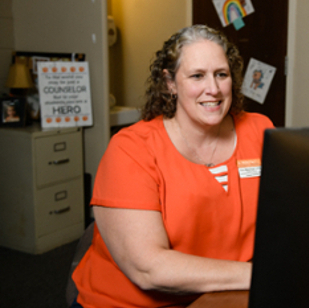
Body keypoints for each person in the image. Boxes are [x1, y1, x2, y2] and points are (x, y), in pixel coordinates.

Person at [72, 25, 274, 307]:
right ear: (170, 83)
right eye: (197, 76)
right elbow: (149, 268)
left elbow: (286, 218)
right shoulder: (131, 149)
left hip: (222, 295)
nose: (213, 89)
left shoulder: (260, 130)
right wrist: (266, 275)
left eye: (221, 74)